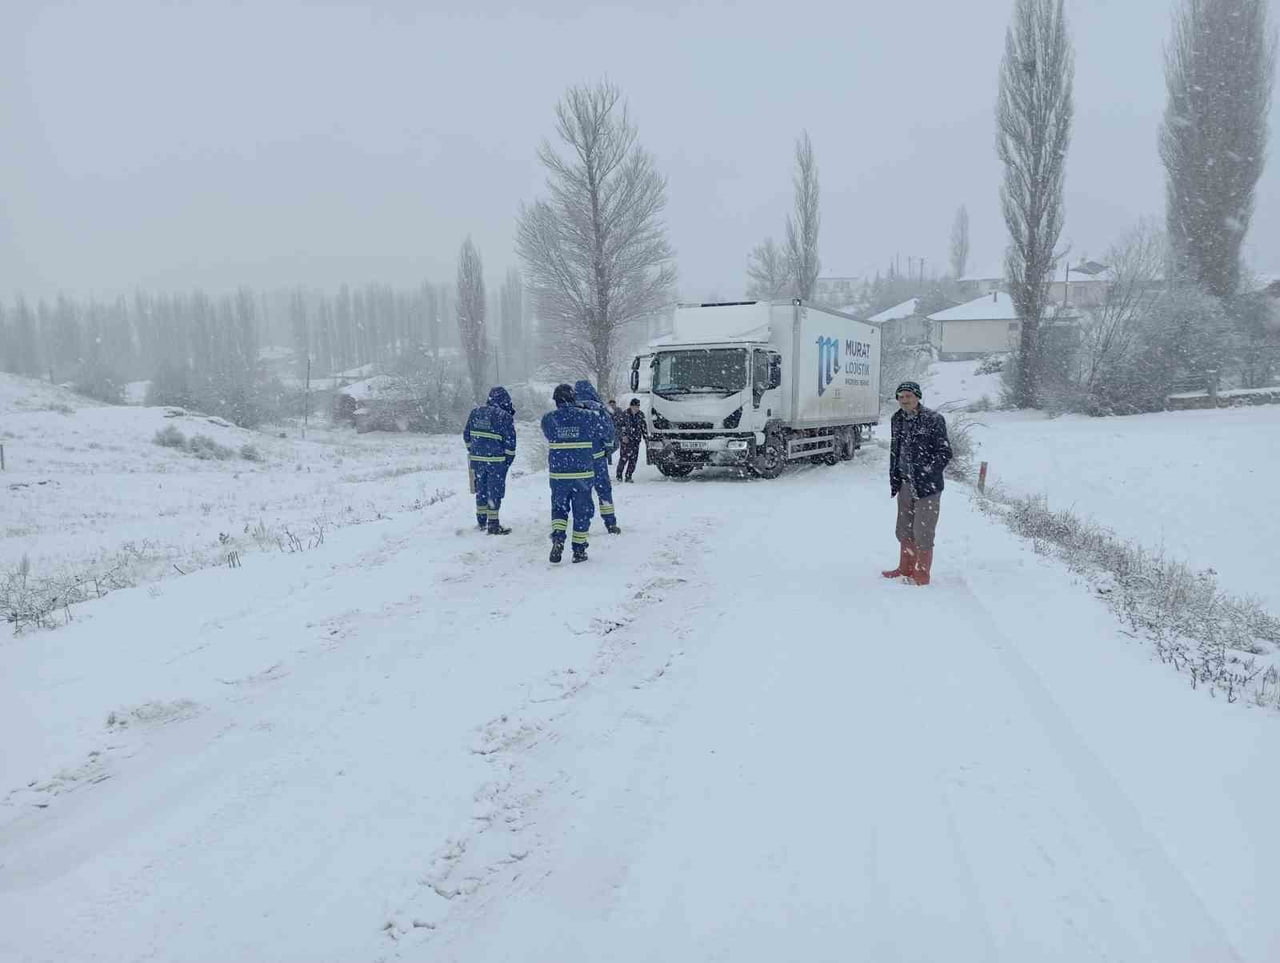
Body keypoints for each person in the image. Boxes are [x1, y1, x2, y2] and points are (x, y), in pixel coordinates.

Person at [882, 380, 951, 585]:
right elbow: (897, 450)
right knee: (904, 528)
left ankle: (921, 573)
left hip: (926, 486)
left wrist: (928, 473)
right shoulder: (897, 419)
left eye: (908, 396)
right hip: (903, 483)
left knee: (923, 530)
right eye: (901, 397)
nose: (904, 400)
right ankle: (905, 568)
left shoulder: (933, 419)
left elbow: (945, 452)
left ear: (918, 397)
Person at [541, 384, 602, 563]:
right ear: (573, 398)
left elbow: (549, 433)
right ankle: (579, 549)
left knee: (559, 509)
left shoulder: (548, 419)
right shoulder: (587, 417)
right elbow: (603, 431)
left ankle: (558, 538)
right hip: (582, 474)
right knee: (582, 511)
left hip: (559, 474)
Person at [463, 386, 518, 534]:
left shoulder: (475, 413)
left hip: (477, 460)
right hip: (496, 461)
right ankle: (493, 524)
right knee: (494, 490)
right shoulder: (504, 417)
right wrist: (507, 461)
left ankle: (481, 521)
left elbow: (466, 435)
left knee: (481, 489)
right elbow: (511, 444)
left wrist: (473, 450)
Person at [574, 380, 622, 534]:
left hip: (578, 460)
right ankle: (610, 523)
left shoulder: (573, 410)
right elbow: (609, 434)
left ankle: (582, 524)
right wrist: (607, 451)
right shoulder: (599, 410)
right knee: (603, 490)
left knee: (581, 492)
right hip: (597, 458)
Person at [616, 398, 648, 483]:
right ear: (631, 406)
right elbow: (619, 426)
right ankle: (619, 475)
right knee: (623, 458)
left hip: (636, 440)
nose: (636, 408)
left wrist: (646, 438)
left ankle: (628, 476)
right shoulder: (624, 414)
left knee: (633, 460)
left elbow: (644, 427)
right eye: (634, 406)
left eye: (638, 406)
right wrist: (623, 436)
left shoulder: (641, 415)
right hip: (626, 441)